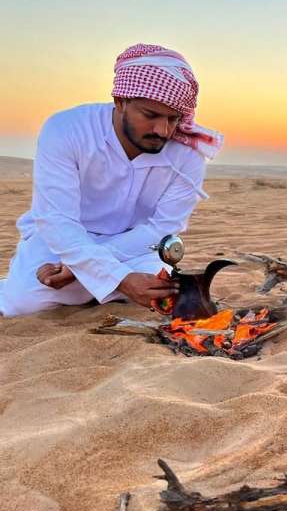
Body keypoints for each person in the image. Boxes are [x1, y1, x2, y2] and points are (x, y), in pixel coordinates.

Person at [0, 43, 223, 317]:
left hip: (135, 246)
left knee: (167, 296)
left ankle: (91, 288)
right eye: (150, 115)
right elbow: (57, 221)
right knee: (21, 305)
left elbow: (162, 228)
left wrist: (86, 268)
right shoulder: (67, 130)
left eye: (173, 119)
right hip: (60, 241)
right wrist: (117, 278)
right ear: (120, 101)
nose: (162, 130)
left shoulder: (187, 154)